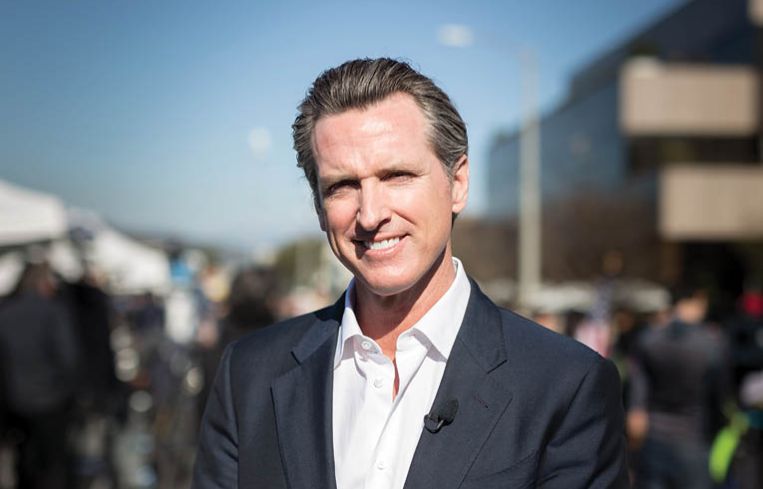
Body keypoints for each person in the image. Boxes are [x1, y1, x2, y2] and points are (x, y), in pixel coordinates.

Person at [193, 58, 628, 489]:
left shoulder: (565, 385)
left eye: (397, 176)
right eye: (342, 186)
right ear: (319, 208)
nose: (370, 214)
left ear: (458, 183)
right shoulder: (248, 376)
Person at [628, 285, 729, 489]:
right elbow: (721, 396)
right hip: (694, 437)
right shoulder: (712, 343)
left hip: (654, 438)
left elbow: (637, 396)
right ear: (698, 300)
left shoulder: (649, 339)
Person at [0, 261, 80, 489]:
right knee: (52, 463)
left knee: (25, 462)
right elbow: (68, 357)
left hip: (16, 400)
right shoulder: (52, 311)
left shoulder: (6, 312)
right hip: (50, 399)